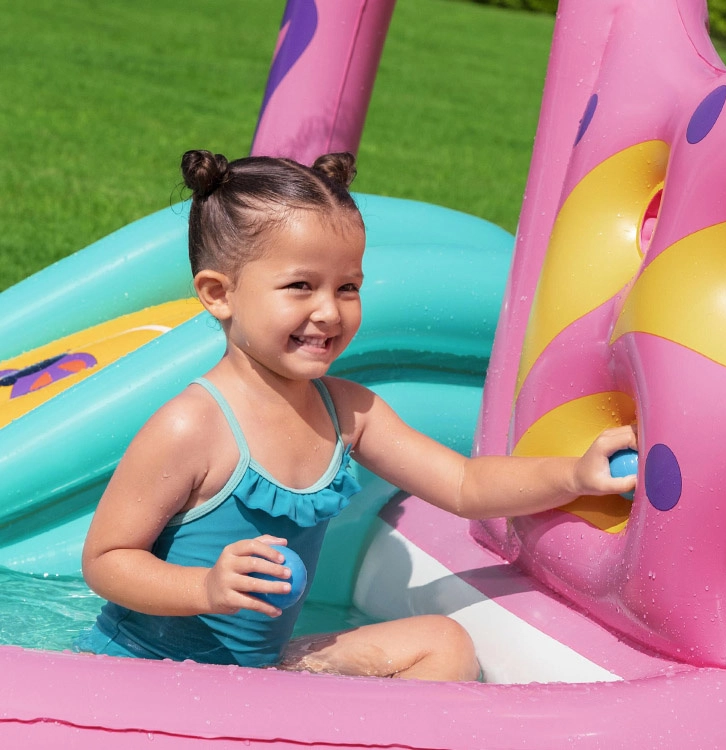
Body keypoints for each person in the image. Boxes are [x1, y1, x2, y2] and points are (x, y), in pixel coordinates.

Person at [78, 150, 637, 681]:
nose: (328, 311)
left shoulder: (348, 411)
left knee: (443, 643)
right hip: (147, 673)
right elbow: (106, 559)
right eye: (300, 286)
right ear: (218, 293)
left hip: (254, 676)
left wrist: (575, 475)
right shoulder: (192, 426)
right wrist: (204, 587)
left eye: (348, 287)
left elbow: (464, 484)